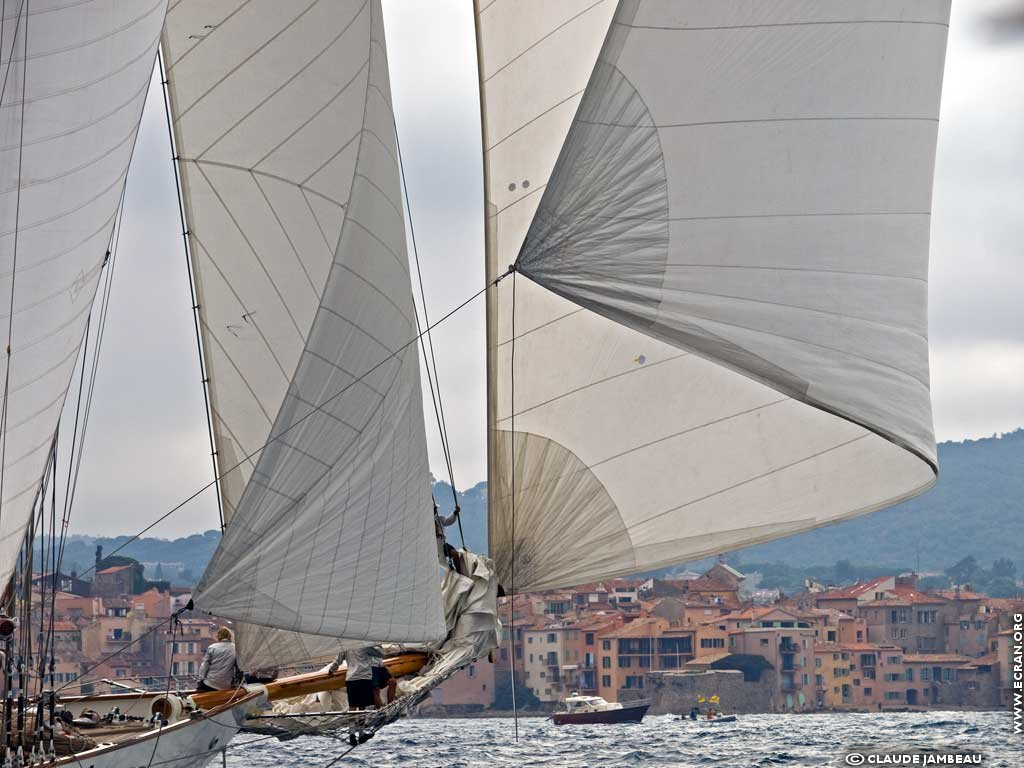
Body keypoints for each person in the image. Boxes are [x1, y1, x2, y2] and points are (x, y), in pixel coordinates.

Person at [196, 627, 238, 692]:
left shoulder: (212, 647)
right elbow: (238, 667)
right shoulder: (235, 648)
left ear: (218, 636)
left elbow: (204, 666)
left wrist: (200, 680)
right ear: (230, 636)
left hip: (210, 683)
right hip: (226, 684)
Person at [433, 501, 462, 571]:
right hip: (434, 545)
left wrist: (455, 512)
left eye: (436, 508)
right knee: (444, 564)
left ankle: (459, 572)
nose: (436, 510)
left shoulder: (439, 518)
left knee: (454, 553)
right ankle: (451, 570)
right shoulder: (426, 522)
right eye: (435, 508)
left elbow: (448, 521)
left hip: (442, 542)